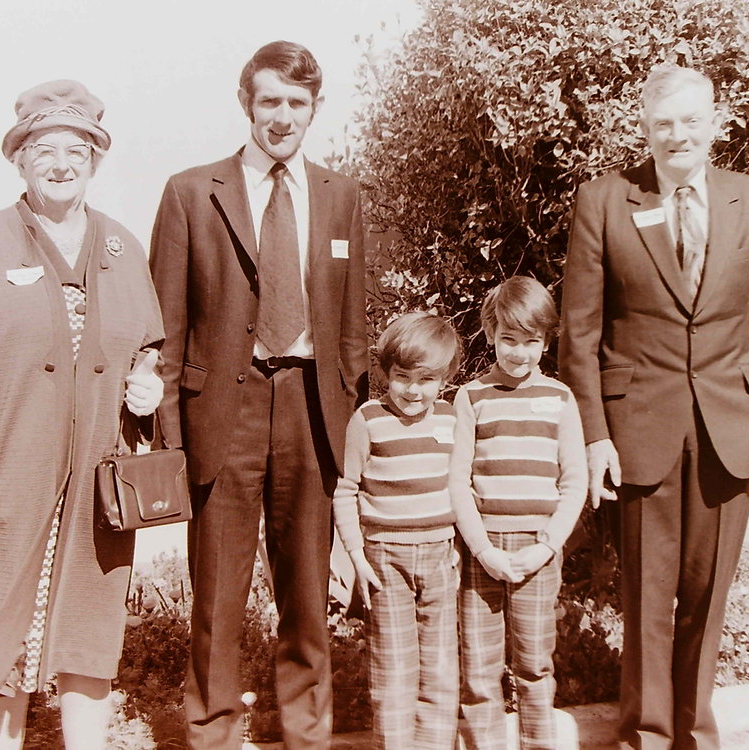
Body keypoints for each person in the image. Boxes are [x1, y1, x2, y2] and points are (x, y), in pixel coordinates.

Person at [559, 63, 749, 750]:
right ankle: (647, 734)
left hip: (732, 426)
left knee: (705, 595)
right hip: (640, 427)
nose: (677, 135)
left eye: (691, 120)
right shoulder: (605, 200)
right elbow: (580, 333)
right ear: (644, 129)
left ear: (716, 123)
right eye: (663, 123)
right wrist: (596, 437)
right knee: (646, 599)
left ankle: (695, 733)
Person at [0, 80, 165, 749]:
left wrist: (149, 387)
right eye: (44, 150)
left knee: (88, 630)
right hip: (5, 479)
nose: (61, 164)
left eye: (76, 150)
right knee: (0, 626)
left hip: (97, 482)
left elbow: (148, 347)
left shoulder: (121, 248)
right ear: (19, 160)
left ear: (95, 159)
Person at [148, 41, 368, 749]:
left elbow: (354, 326)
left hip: (311, 410)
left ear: (315, 109)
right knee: (216, 596)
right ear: (247, 104)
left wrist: (354, 431)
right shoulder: (192, 192)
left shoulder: (342, 197)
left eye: (296, 104)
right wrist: (171, 439)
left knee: (307, 593)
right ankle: (212, 732)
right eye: (269, 101)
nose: (282, 117)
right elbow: (165, 326)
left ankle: (307, 735)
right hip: (224, 414)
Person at [449, 276, 587, 750]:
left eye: (531, 341)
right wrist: (483, 549)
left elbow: (574, 482)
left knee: (533, 664)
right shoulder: (470, 397)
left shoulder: (561, 399)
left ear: (547, 341)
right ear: (490, 334)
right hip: (481, 553)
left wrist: (547, 546)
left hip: (538, 553)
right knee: (480, 670)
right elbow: (459, 482)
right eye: (509, 339)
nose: (519, 353)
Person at [333, 311, 462, 749]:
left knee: (442, 669)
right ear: (385, 371)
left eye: (426, 379)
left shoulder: (450, 419)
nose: (412, 389)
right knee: (394, 669)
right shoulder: (368, 419)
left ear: (444, 379)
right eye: (402, 376)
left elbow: (462, 487)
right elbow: (346, 490)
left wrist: (459, 544)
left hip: (441, 558)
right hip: (386, 559)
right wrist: (356, 557)